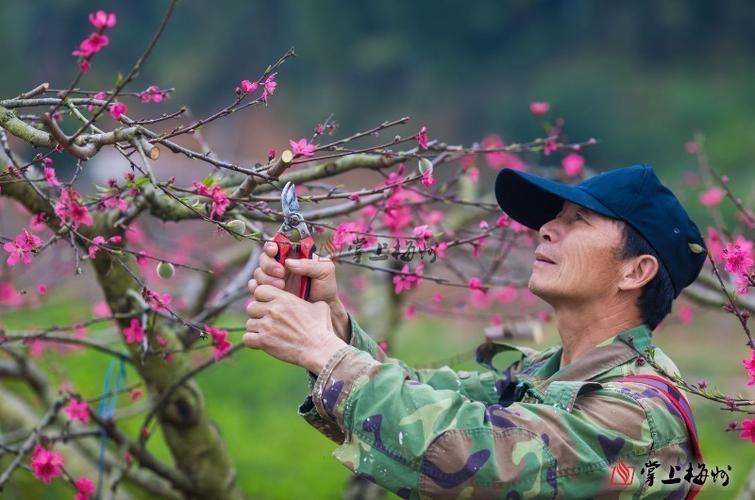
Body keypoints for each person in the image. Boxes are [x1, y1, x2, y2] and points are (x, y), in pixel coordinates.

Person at [244, 164, 708, 498]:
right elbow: (422, 399)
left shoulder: (639, 415)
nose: (546, 228)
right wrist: (331, 321)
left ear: (635, 271)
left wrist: (326, 354)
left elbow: (475, 459)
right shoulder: (545, 373)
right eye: (555, 217)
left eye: (577, 221)